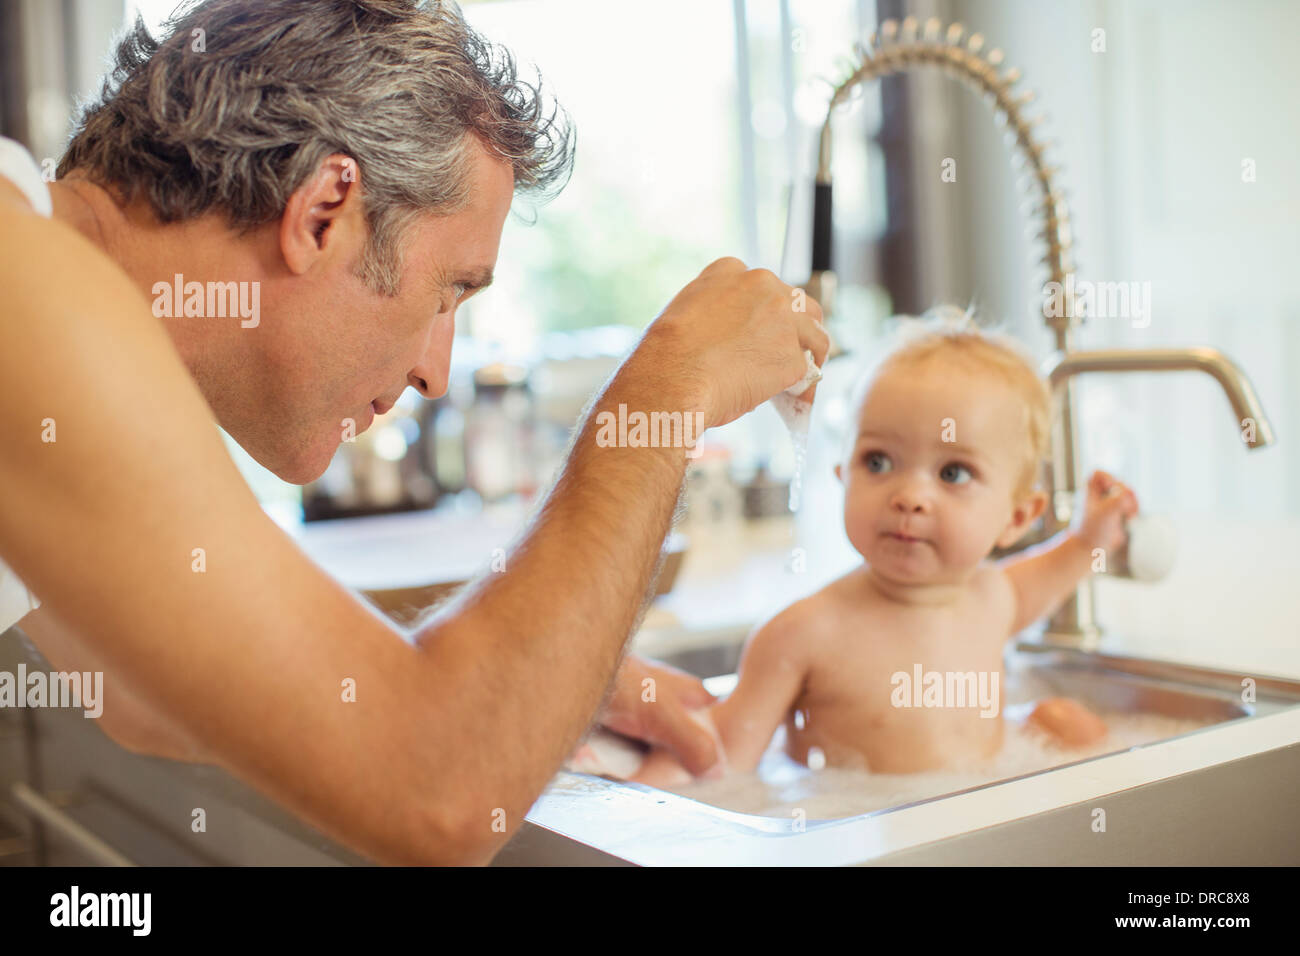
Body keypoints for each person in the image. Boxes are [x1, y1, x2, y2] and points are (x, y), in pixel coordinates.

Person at [0, 0, 828, 865]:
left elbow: (150, 691)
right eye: (448, 293)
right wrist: (663, 394)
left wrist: (537, 686)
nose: (437, 371)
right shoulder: (28, 286)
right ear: (324, 211)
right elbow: (439, 793)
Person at [629, 318, 1128, 787]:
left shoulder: (995, 596)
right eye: (879, 460)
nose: (909, 495)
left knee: (1068, 722)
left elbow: (1063, 565)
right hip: (860, 839)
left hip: (981, 827)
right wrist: (636, 811)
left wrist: (1092, 538)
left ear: (1016, 518)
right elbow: (720, 761)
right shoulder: (804, 632)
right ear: (843, 475)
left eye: (952, 472)